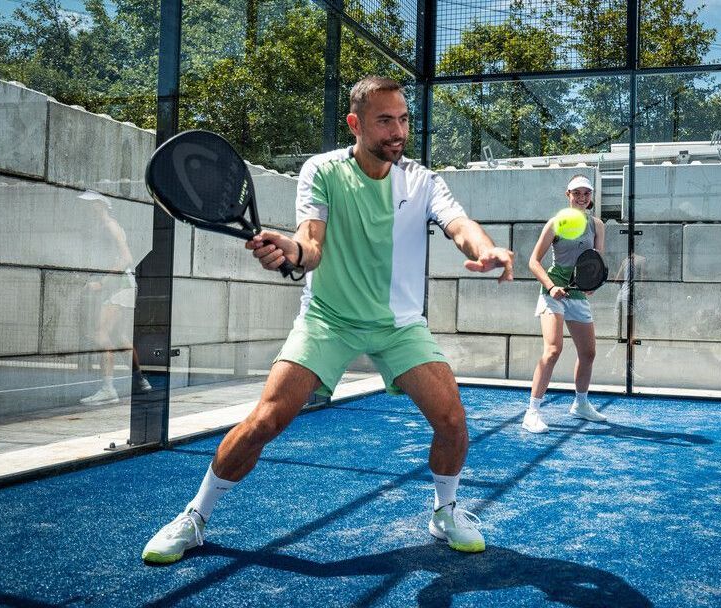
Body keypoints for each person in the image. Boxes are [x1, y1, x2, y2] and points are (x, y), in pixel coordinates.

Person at [141, 76, 514, 563]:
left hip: (399, 325)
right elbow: (311, 245)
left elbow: (459, 225)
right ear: (355, 123)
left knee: (452, 420)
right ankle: (195, 516)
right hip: (328, 319)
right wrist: (292, 251)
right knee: (266, 420)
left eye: (403, 119)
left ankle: (445, 512)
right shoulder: (322, 170)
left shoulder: (422, 180)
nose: (398, 131)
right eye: (385, 121)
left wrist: (485, 250)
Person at [523, 175, 607, 434]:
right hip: (553, 292)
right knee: (553, 350)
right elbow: (533, 261)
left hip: (577, 293)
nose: (582, 197)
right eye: (576, 193)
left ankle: (580, 404)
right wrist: (551, 286)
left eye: (586, 193)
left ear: (591, 196)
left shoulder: (597, 225)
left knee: (588, 353)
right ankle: (532, 412)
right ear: (567, 195)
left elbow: (596, 261)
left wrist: (592, 284)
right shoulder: (555, 223)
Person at [78, 190, 152, 406]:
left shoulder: (110, 226)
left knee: (101, 333)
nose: (86, 208)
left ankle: (108, 389)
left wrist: (102, 282)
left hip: (120, 286)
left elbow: (126, 258)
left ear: (100, 206)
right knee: (118, 336)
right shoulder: (103, 227)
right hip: (123, 287)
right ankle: (140, 381)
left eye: (90, 204)